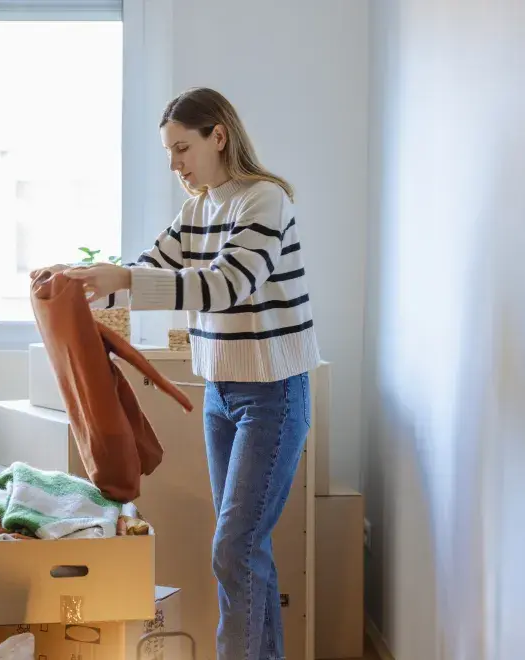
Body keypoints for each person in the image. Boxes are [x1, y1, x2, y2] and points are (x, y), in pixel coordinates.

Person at [31, 87, 320, 660]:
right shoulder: (198, 209)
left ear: (220, 135)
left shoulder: (264, 200)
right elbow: (150, 266)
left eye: (182, 147)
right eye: (169, 152)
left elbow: (227, 285)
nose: (175, 164)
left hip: (274, 394)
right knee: (245, 551)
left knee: (235, 550)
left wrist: (125, 281)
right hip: (221, 392)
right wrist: (80, 274)